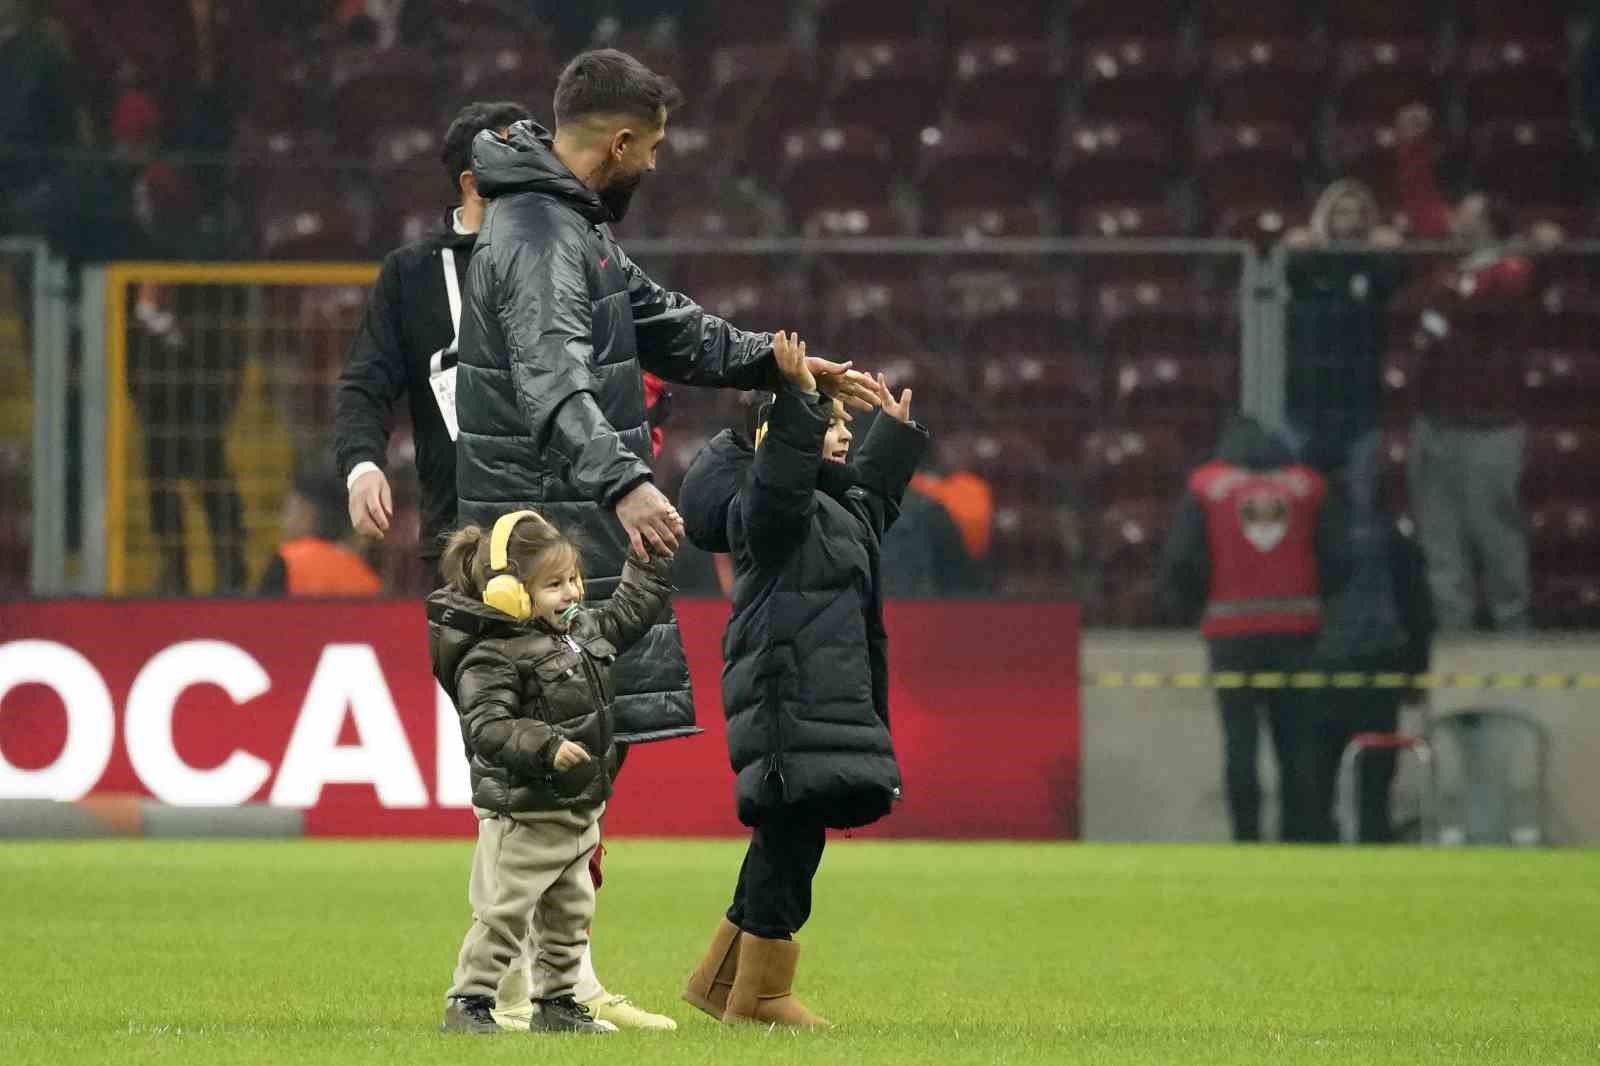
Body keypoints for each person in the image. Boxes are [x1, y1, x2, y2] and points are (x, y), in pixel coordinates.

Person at [336, 100, 675, 1030]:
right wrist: (365, 462)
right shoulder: (412, 276)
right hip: (468, 554)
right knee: (512, 760)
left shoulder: (564, 251)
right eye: (520, 153)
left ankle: (565, 978)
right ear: (474, 181)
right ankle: (518, 982)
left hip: (562, 538)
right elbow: (366, 384)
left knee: (579, 753)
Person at [454, 49, 876, 744]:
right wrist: (626, 485)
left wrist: (772, 361)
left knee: (575, 794)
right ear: (619, 143)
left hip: (565, 531)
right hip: (543, 542)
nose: (652, 166)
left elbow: (667, 324)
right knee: (545, 798)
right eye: (650, 149)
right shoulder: (539, 234)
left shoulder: (569, 225)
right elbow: (554, 381)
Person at [678, 334, 926, 1027]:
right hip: (789, 691)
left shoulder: (828, 503)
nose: (842, 434)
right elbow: (782, 488)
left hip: (819, 697)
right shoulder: (772, 502)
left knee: (788, 835)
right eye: (833, 425)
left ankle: (721, 982)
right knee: (790, 840)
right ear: (780, 433)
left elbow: (868, 511)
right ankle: (758, 997)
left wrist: (893, 440)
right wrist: (800, 403)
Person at [428, 510, 674, 1035]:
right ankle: (469, 1001)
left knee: (570, 915)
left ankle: (557, 1003)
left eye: (573, 581)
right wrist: (546, 745)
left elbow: (627, 614)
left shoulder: (578, 631)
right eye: (554, 585)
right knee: (506, 914)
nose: (571, 594)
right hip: (528, 811)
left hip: (577, 811)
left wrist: (647, 566)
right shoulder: (490, 655)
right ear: (510, 593)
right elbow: (488, 725)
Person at [1161, 416, 1348, 843]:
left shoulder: (1206, 487)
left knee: (1240, 745)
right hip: (1297, 632)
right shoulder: (1308, 487)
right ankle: (1297, 836)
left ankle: (1246, 840)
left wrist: (1195, 606)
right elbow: (1339, 556)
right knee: (1296, 744)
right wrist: (1320, 599)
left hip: (1230, 635)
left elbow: (1180, 559)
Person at [1395, 102, 1534, 632]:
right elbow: (1421, 205)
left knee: (1495, 534)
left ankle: (1514, 631)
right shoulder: (1448, 263)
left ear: (1490, 228)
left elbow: (1482, 297)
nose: (1454, 222)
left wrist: (1445, 290)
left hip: (1490, 429)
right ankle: (1453, 633)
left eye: (1468, 218)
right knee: (1440, 537)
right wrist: (1412, 147)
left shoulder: (1513, 270)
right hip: (1435, 421)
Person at [1299, 434, 1435, 843]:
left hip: (1321, 665)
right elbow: (1417, 607)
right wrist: (1415, 670)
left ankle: (1318, 853)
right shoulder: (1394, 534)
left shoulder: (1310, 534)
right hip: (1378, 665)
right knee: (1375, 775)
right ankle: (1374, 847)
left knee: (1318, 778)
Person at [1282, 180, 1405, 470]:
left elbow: (1394, 284)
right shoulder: (1308, 259)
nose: (1349, 220)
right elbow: (1289, 273)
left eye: (1356, 212)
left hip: (1359, 394)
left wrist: (1390, 252)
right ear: (1326, 214)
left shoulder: (1374, 263)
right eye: (1341, 211)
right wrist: (1296, 248)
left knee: (1362, 494)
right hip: (1308, 392)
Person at [257, 469, 382, 597]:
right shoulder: (365, 576)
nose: (283, 518)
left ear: (307, 514)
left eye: (290, 508)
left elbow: (262, 615)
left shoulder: (287, 562)